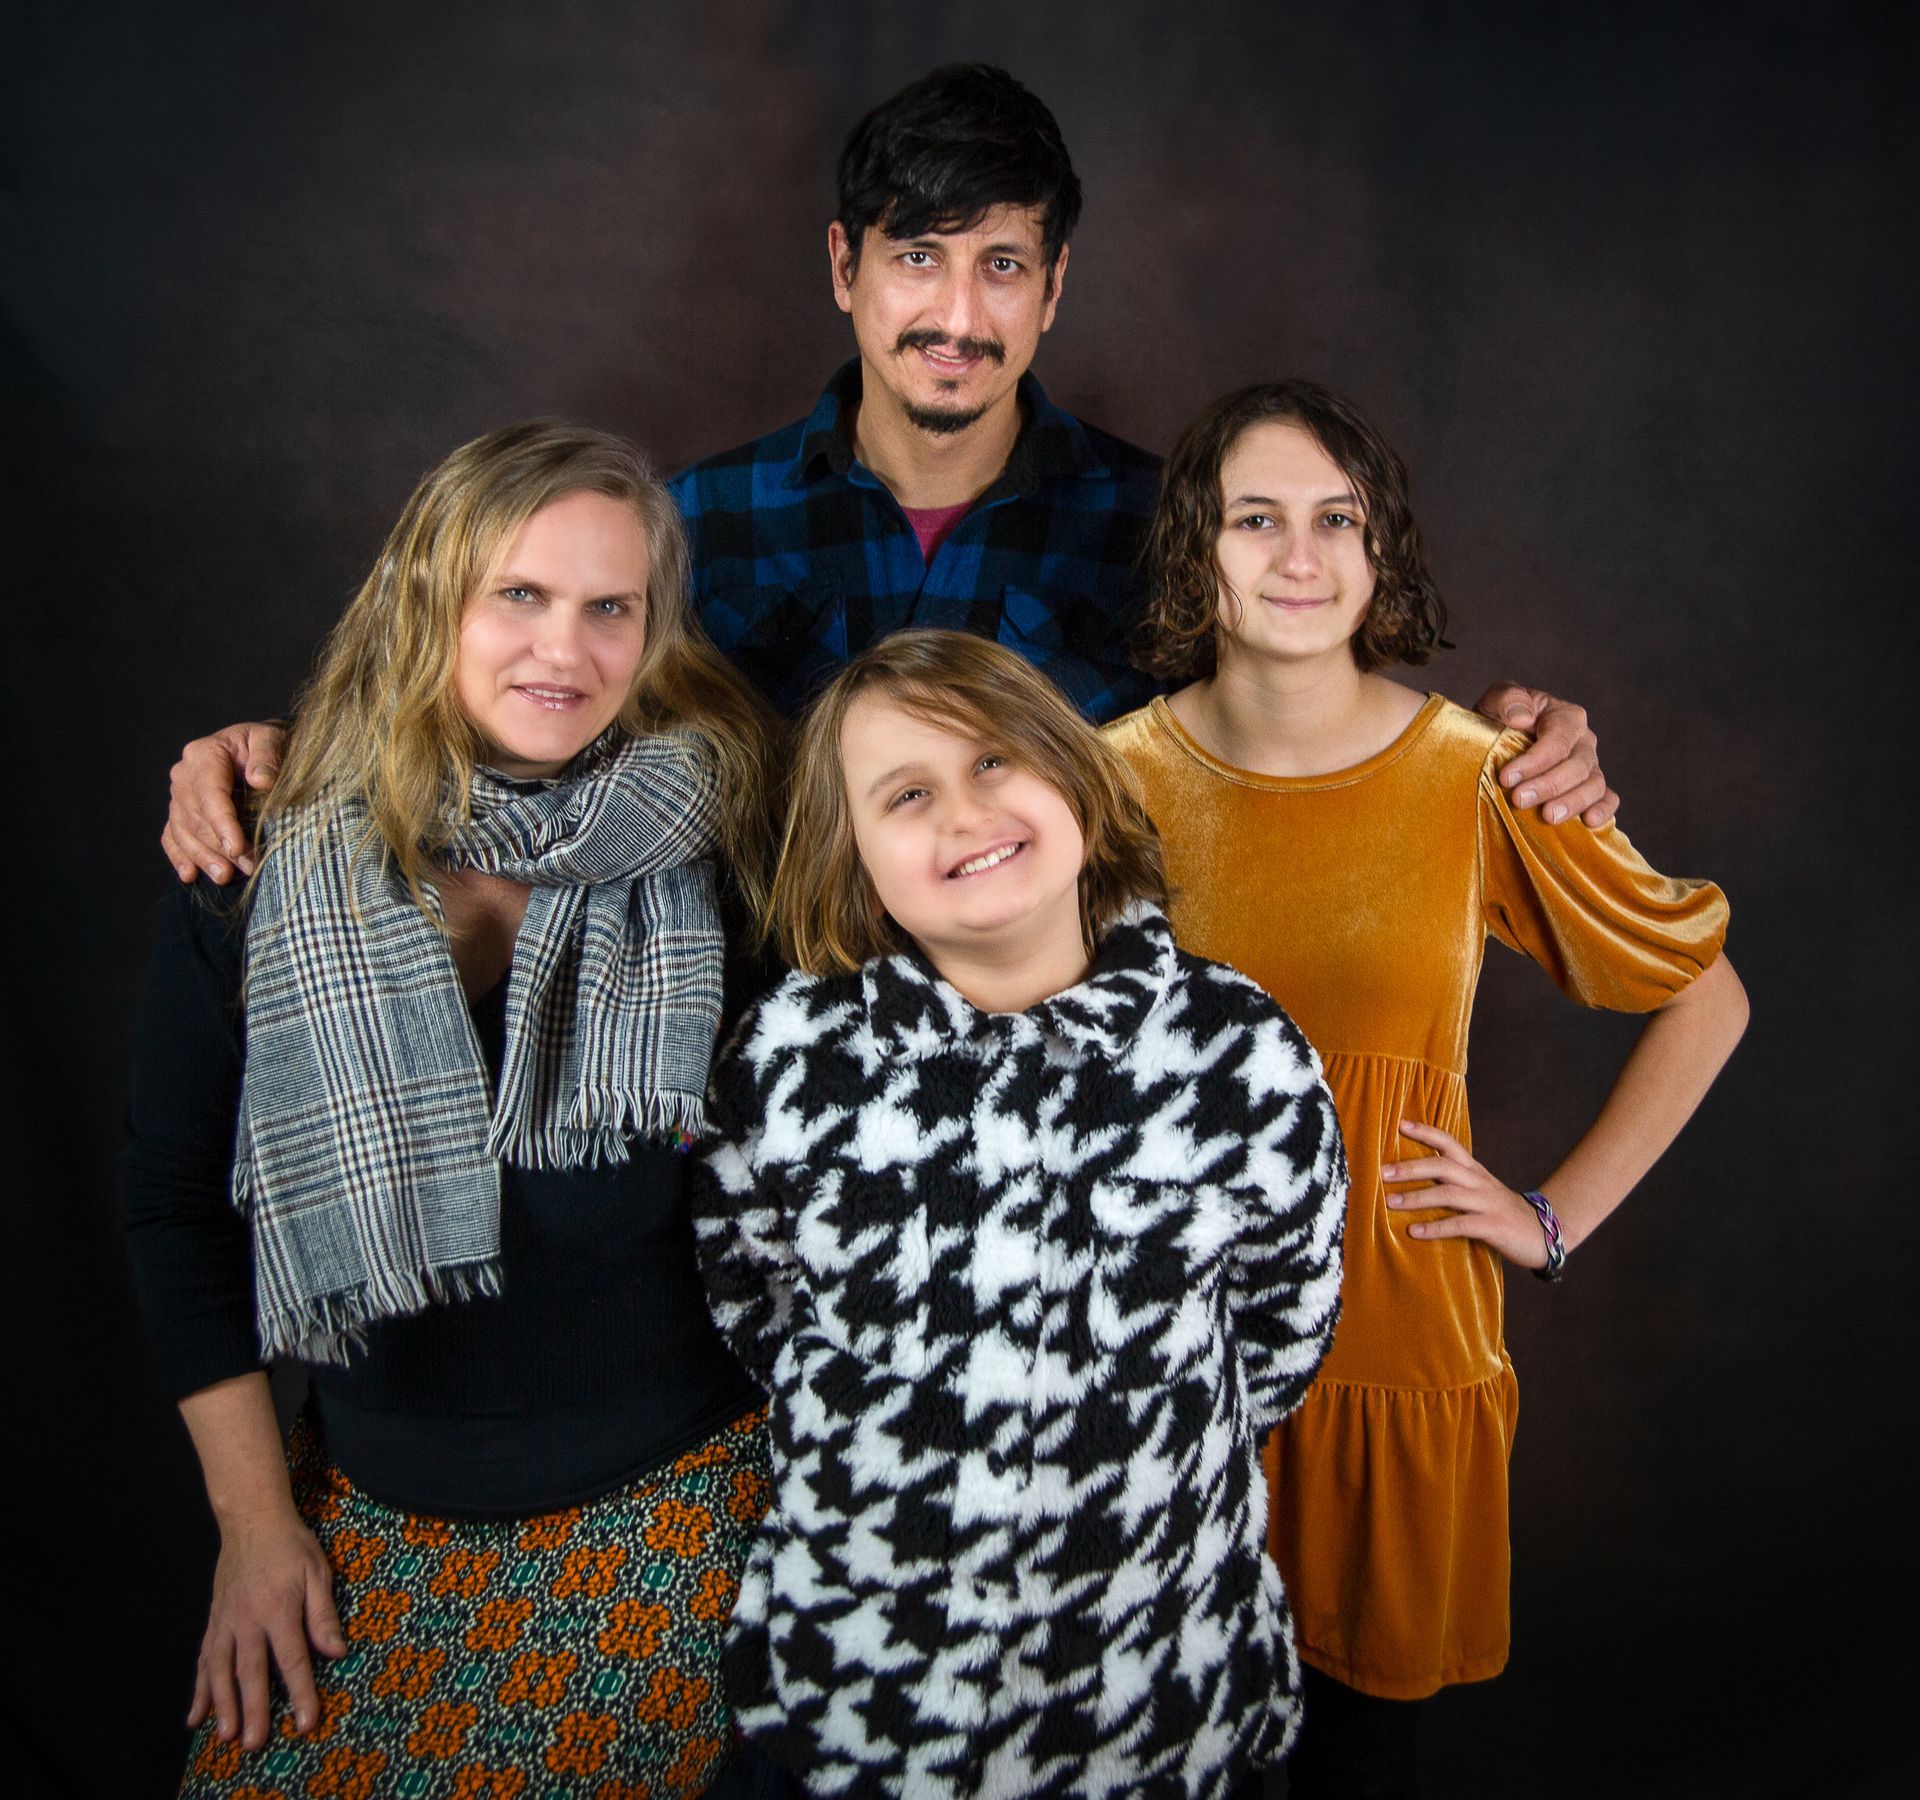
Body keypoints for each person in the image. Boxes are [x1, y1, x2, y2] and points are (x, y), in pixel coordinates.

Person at [155, 64, 1615, 889]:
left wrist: (1505, 744)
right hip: (749, 1098)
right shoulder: (689, 529)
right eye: (918, 258)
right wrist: (289, 755)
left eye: (1000, 265)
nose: (958, 316)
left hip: (1064, 1114)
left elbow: (1326, 719)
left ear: (1056, 289)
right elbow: (515, 721)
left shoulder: (1163, 526)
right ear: (845, 267)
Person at [122, 422, 791, 1796]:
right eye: (521, 597)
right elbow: (177, 1209)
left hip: (681, 1516)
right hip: (361, 1524)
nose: (567, 649)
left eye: (614, 609)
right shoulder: (266, 862)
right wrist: (255, 1529)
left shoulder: (722, 857)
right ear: (430, 603)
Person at [1104, 381, 1750, 1797]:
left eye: (1337, 519)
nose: (1300, 555)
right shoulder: (1104, 787)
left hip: (1394, 1359)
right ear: (1193, 553)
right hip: (1166, 1379)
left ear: (1379, 549)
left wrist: (1552, 1216)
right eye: (1256, 518)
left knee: (1355, 1769)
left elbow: (1708, 996)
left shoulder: (1480, 777)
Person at [690, 629, 1349, 1797]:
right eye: (906, 793)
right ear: (853, 860)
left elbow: (1281, 1327)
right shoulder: (793, 1058)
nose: (964, 811)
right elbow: (757, 1298)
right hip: (861, 1693)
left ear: (1075, 775)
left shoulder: (1234, 1050)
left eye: (997, 762)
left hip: (1156, 1690)